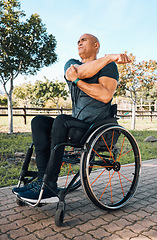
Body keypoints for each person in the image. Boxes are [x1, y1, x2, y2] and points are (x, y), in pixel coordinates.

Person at [12, 33, 131, 203]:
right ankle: (41, 181)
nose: (79, 42)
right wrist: (109, 57)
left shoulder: (109, 67)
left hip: (96, 127)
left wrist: (77, 81)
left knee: (62, 120)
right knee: (38, 121)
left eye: (84, 40)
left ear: (96, 45)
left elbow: (105, 95)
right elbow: (79, 72)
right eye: (78, 41)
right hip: (76, 124)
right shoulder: (71, 63)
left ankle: (50, 184)